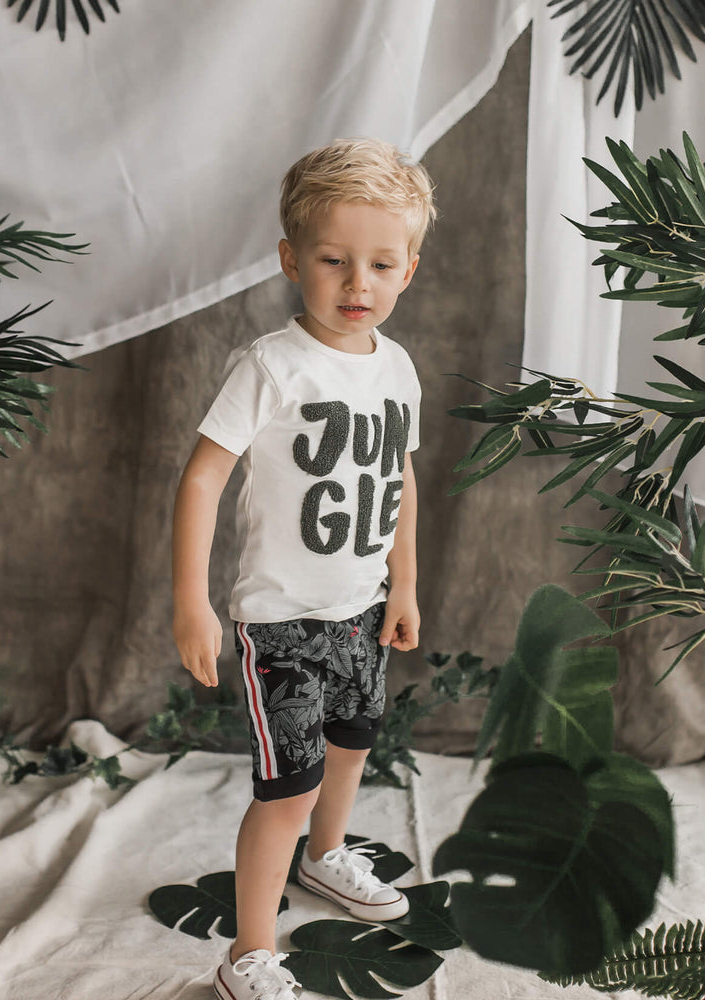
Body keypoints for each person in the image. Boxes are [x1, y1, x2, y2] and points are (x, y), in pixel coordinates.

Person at [171, 137, 435, 1000]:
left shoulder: (396, 368)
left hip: (361, 609)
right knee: (287, 790)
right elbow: (203, 477)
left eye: (381, 265)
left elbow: (400, 477)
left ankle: (326, 856)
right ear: (292, 260)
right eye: (333, 261)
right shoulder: (271, 365)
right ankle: (250, 952)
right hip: (283, 621)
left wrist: (404, 585)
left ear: (408, 269)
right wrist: (192, 600)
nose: (358, 284)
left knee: (353, 747)